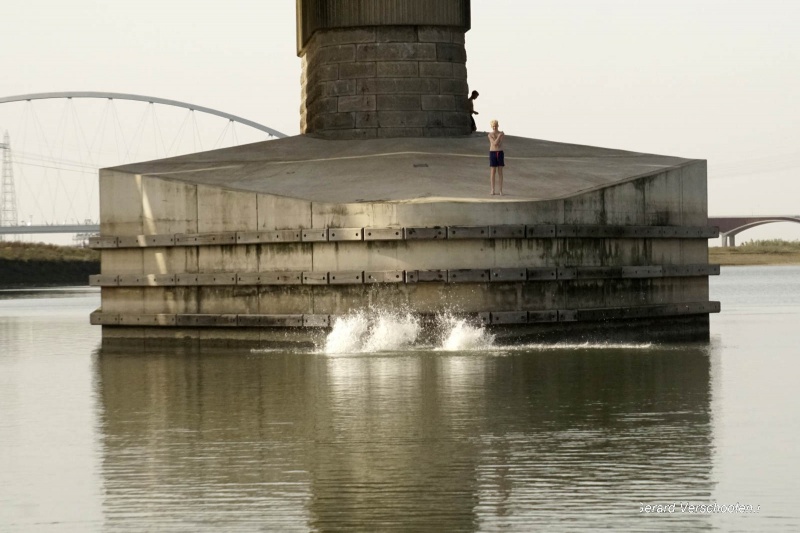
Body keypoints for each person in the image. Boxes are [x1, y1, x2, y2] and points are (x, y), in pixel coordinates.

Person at [488, 119, 505, 195]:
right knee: (493, 172)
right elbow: (494, 143)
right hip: (492, 152)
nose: (494, 127)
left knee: (500, 172)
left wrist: (499, 137)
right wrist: (498, 136)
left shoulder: (501, 134)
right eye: (493, 126)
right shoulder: (490, 134)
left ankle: (500, 190)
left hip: (500, 152)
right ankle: (492, 189)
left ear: (498, 125)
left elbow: (499, 143)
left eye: (495, 126)